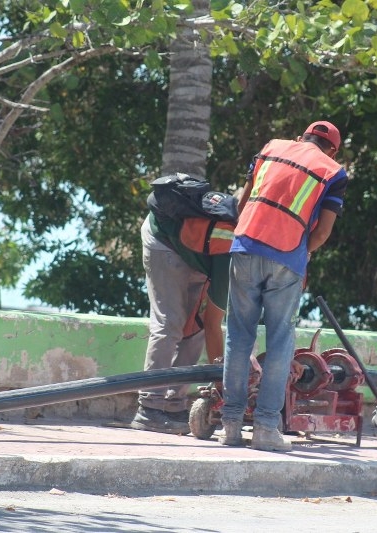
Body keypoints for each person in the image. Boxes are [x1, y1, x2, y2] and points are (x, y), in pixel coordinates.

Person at [219, 120, 348, 452]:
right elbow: (322, 233)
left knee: (238, 336)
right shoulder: (333, 171)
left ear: (301, 137)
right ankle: (265, 428)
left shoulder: (270, 149)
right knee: (279, 342)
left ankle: (231, 426)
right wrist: (300, 255)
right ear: (332, 149)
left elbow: (244, 200)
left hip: (245, 246)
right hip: (287, 257)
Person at [132, 186, 235, 434]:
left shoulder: (248, 259)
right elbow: (214, 326)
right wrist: (223, 388)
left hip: (194, 250)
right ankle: (149, 408)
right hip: (163, 238)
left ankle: (173, 405)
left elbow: (207, 324)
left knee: (195, 326)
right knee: (170, 323)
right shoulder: (232, 255)